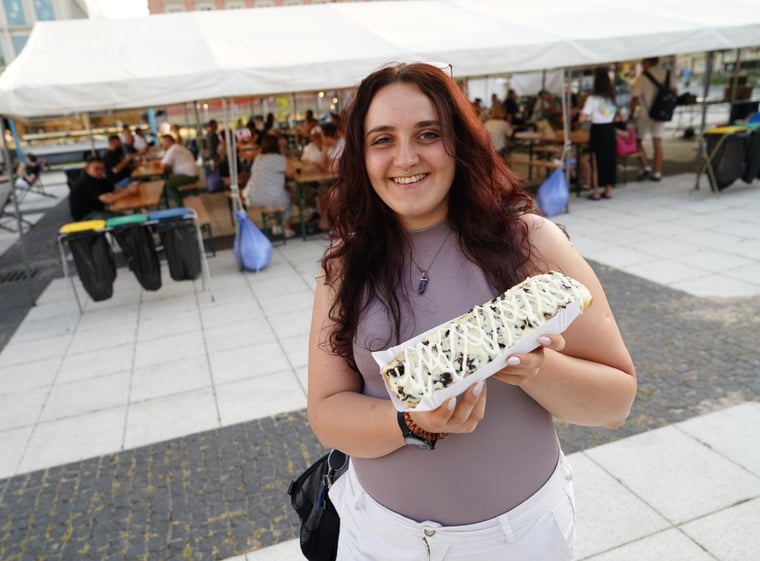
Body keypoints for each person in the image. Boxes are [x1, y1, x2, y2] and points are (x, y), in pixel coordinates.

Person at [308, 62, 636, 560]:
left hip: (517, 541)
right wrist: (411, 422)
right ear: (361, 155)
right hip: (376, 536)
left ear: (459, 142)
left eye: (428, 134)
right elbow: (327, 411)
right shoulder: (342, 267)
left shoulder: (530, 243)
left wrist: (536, 367)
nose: (405, 157)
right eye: (382, 139)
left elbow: (616, 402)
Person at [242, 133, 298, 238]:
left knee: (280, 193)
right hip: (271, 198)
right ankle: (287, 228)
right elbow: (292, 173)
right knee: (289, 197)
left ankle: (277, 226)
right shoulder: (279, 158)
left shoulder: (258, 158)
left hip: (255, 197)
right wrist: (283, 154)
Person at [579, 68, 618, 200]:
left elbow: (582, 118)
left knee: (596, 162)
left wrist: (585, 115)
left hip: (598, 130)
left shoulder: (592, 99)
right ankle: (608, 190)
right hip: (610, 130)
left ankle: (596, 192)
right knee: (609, 160)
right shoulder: (612, 98)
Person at [629, 57, 670, 182]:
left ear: (648, 62)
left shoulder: (643, 77)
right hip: (661, 113)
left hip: (645, 113)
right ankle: (657, 172)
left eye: (643, 61)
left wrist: (631, 113)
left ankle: (645, 166)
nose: (641, 63)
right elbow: (674, 91)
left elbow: (635, 97)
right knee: (658, 143)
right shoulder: (667, 74)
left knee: (637, 141)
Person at [68, 156, 138, 222]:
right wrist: (128, 191)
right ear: (87, 169)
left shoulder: (100, 179)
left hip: (98, 209)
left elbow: (115, 190)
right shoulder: (87, 181)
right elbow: (108, 199)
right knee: (125, 220)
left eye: (103, 169)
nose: (100, 172)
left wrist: (130, 189)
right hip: (85, 216)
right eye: (96, 169)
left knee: (127, 217)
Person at [160, 133, 199, 207]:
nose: (162, 144)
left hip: (189, 175)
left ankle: (181, 205)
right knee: (169, 181)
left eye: (163, 142)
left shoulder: (173, 149)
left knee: (168, 185)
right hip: (191, 173)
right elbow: (165, 164)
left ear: (168, 141)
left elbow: (163, 165)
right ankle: (181, 200)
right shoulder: (177, 147)